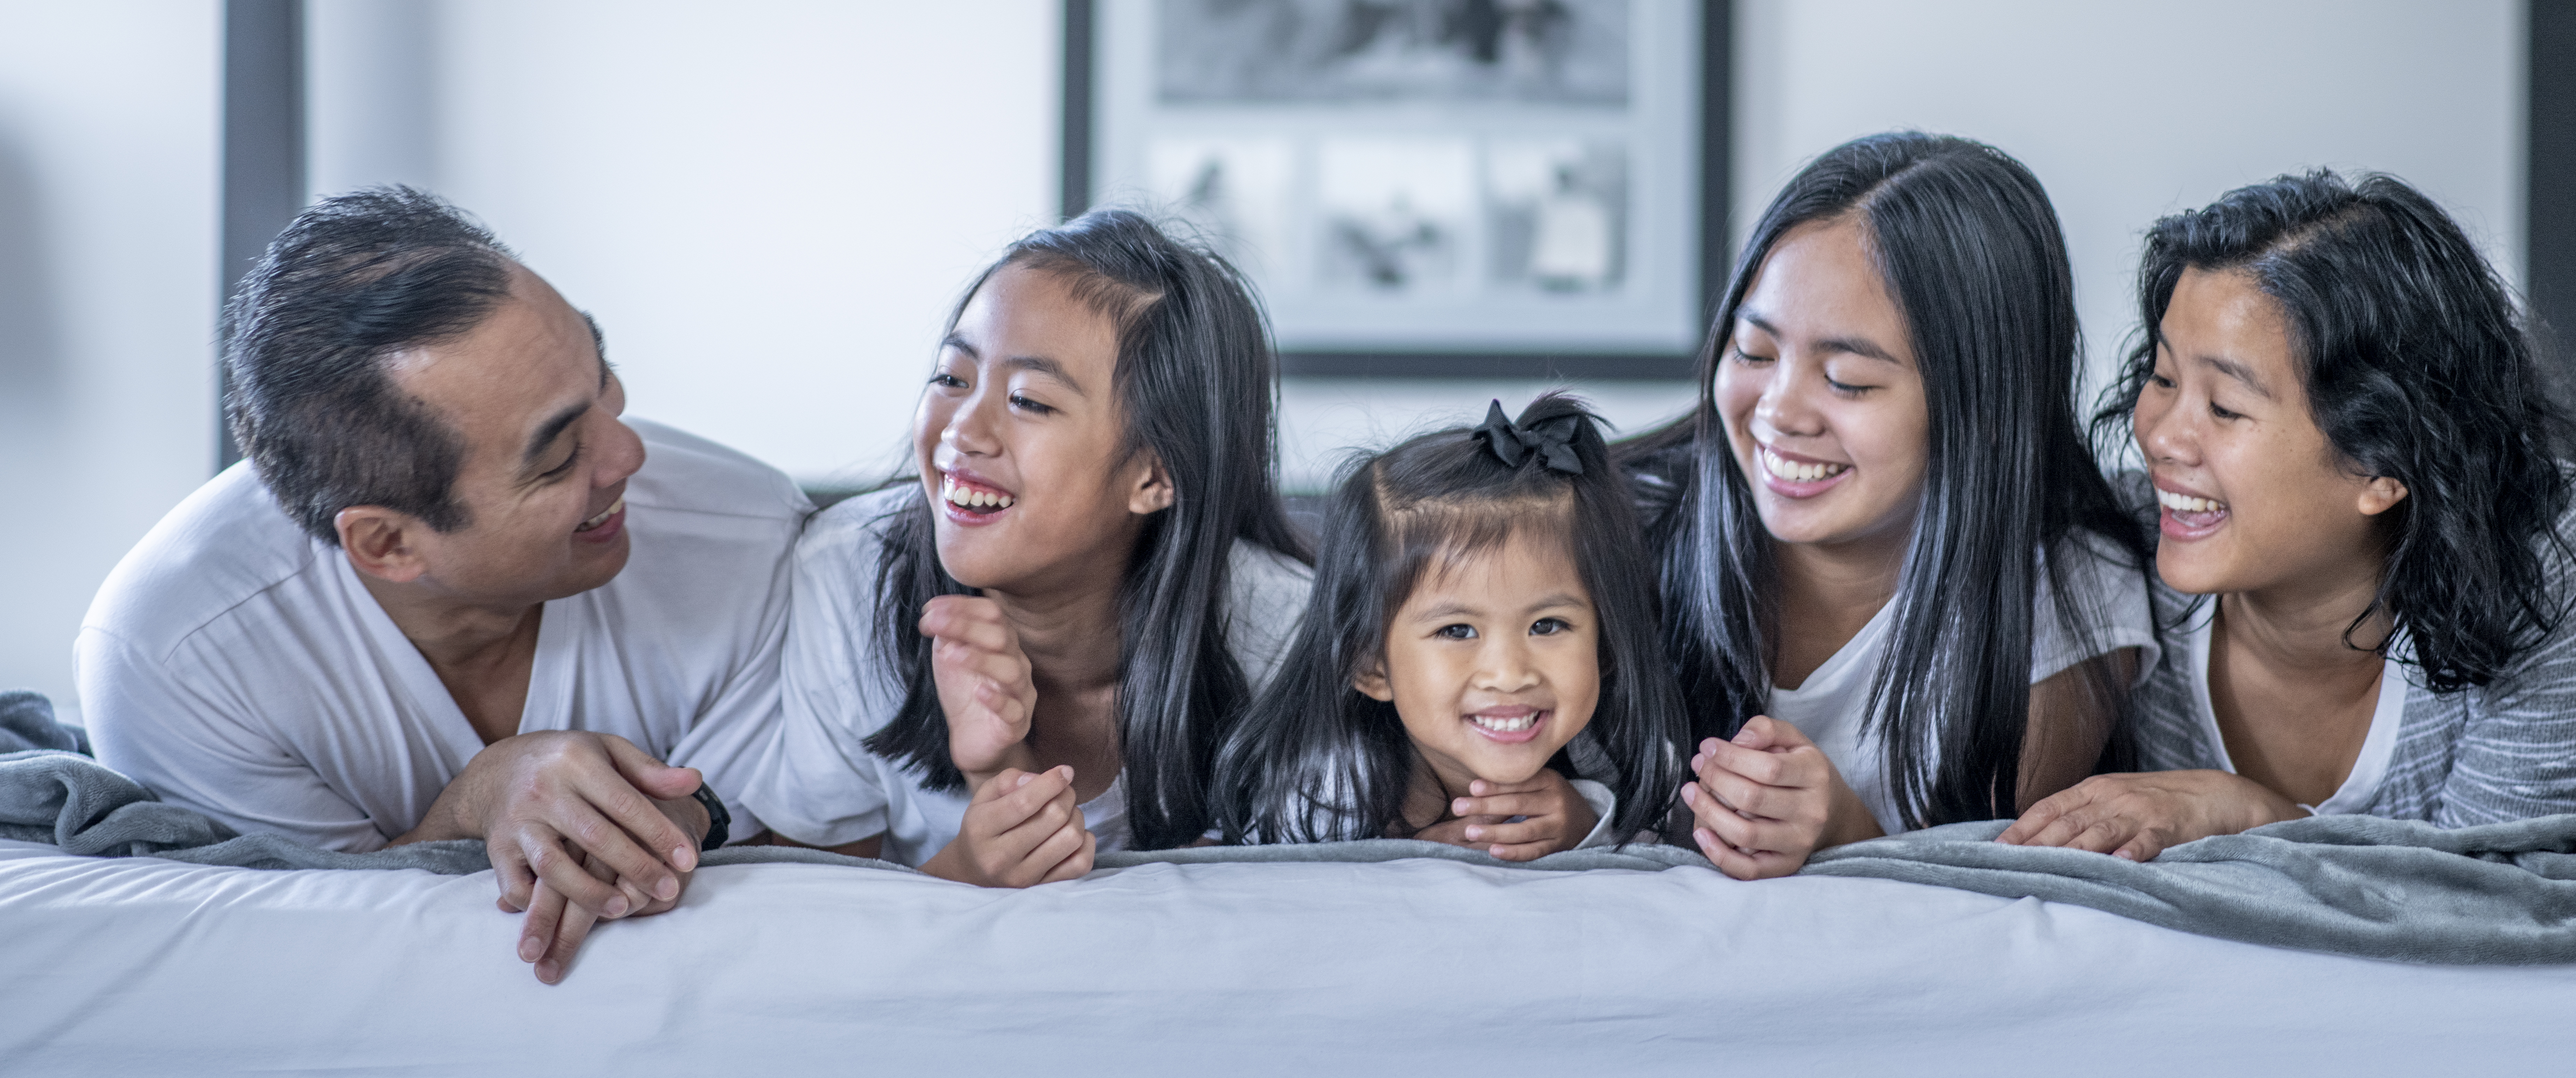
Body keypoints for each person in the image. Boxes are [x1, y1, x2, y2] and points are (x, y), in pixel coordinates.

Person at [79, 187, 809, 983]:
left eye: (603, 379)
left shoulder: (751, 537)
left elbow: (805, 847)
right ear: (387, 543)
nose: (628, 455)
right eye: (560, 457)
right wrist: (472, 805)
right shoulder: (180, 658)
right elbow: (303, 962)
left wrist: (683, 818)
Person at [1999, 171, 2576, 860]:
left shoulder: (2563, 563)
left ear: (2385, 464)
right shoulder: (2110, 548)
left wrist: (2252, 814)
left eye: (2225, 408)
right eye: (2164, 379)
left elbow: (2491, 910)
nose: (2162, 437)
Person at [1619, 133, 2156, 879]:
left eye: (1846, 379)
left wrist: (1847, 828)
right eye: (1754, 351)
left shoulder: (2067, 589)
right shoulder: (1620, 524)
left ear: (1986, 409)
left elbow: (1973, 878)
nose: (1780, 412)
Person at [745, 209, 1311, 885]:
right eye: (953, 378)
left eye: (1027, 400)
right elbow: (809, 922)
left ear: (1157, 475)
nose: (963, 430)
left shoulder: (1287, 635)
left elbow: (1268, 932)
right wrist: (966, 873)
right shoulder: (850, 575)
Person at [1213, 395, 1687, 857]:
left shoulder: (1626, 752)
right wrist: (1395, 861)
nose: (1509, 673)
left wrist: (1590, 827)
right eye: (1458, 631)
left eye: (1547, 625)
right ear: (1371, 664)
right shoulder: (1323, 791)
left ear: (1606, 642)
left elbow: (1673, 862)